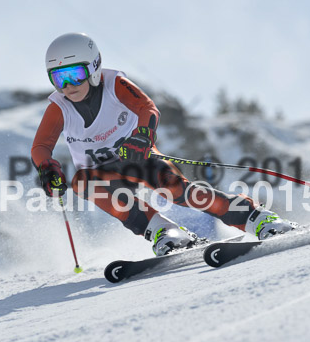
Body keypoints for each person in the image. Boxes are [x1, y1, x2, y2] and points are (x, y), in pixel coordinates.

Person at [31, 32, 294, 256]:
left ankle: (256, 217)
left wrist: (141, 136)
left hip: (136, 158)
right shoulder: (59, 107)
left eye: (75, 74)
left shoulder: (114, 84)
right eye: (58, 78)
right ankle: (165, 232)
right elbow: (41, 146)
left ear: (94, 68)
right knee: (81, 182)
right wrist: (47, 168)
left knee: (177, 191)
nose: (68, 86)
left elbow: (147, 107)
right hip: (102, 174)